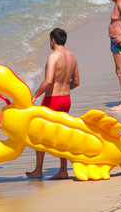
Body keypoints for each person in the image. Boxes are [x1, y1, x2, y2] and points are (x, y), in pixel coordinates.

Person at [25, 28, 79, 180]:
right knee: (62, 134)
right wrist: (65, 88)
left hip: (52, 100)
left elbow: (48, 81)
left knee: (39, 134)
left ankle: (38, 170)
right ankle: (63, 170)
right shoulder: (72, 57)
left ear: (53, 40)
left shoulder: (53, 57)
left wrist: (34, 96)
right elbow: (76, 82)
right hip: (66, 99)